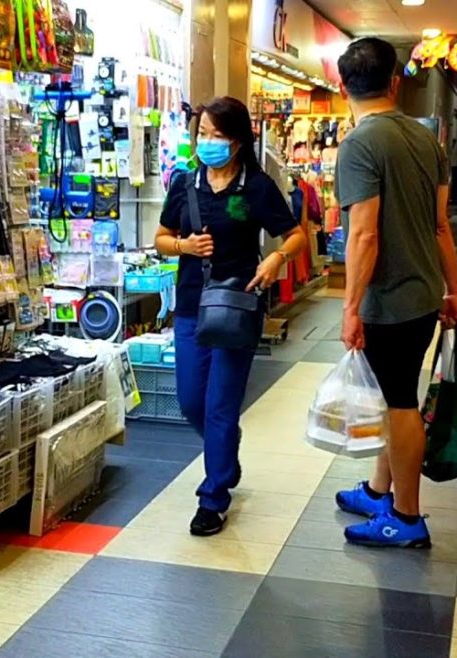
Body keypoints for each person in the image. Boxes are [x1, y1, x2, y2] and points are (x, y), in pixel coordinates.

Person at [333, 37, 457, 548]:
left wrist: (349, 307)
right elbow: (439, 226)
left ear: (343, 86)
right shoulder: (425, 139)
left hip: (389, 301)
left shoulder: (360, 144)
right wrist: (454, 289)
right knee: (395, 395)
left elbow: (363, 234)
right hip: (423, 294)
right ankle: (378, 489)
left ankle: (406, 519)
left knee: (399, 403)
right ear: (394, 82)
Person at [154, 97, 308, 537]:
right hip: (190, 305)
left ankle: (213, 497)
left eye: (217, 135)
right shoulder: (184, 183)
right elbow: (162, 237)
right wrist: (183, 247)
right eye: (202, 133)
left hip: (238, 304)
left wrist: (276, 260)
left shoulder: (256, 188)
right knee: (191, 400)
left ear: (238, 141)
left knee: (221, 404)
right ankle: (226, 450)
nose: (207, 142)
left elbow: (295, 235)